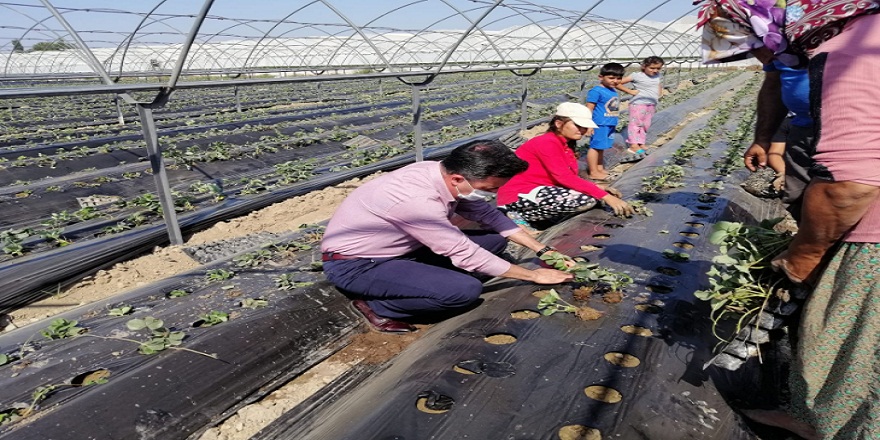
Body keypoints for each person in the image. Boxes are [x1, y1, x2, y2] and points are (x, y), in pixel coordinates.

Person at [698, 2, 880, 439]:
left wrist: (806, 252)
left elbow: (850, 182)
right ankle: (817, 415)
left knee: (849, 342)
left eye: (756, 46)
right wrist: (770, 140)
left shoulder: (856, 47)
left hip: (870, 227)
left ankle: (838, 424)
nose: (762, 58)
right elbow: (777, 82)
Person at [320, 140, 575, 333]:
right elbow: (463, 252)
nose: (494, 194)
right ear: (457, 178)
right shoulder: (416, 200)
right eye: (490, 189)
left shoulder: (439, 172)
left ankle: (424, 279)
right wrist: (533, 275)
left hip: (405, 250)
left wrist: (543, 250)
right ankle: (378, 306)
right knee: (464, 291)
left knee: (495, 240)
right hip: (357, 265)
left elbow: (490, 216)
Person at [497, 102, 634, 232]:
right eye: (578, 125)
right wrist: (606, 196)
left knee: (592, 196)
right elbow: (564, 177)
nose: (582, 130)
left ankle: (538, 218)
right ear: (558, 123)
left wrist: (598, 188)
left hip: (539, 190)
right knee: (586, 201)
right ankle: (516, 215)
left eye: (584, 127)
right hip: (518, 195)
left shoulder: (565, 144)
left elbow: (568, 177)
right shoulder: (546, 143)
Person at [741, 59, 813, 221]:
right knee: (797, 196)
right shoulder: (786, 122)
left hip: (849, 126)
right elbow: (773, 83)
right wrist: (782, 172)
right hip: (802, 131)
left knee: (840, 192)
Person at [616, 56, 664, 161]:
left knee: (645, 124)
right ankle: (633, 145)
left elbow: (658, 84)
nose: (655, 70)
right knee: (636, 124)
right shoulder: (637, 76)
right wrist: (630, 92)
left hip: (651, 103)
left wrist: (660, 92)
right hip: (638, 103)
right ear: (644, 66)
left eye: (658, 68)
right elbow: (617, 83)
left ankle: (641, 143)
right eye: (652, 68)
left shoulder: (658, 75)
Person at [585, 63, 624, 181]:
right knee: (595, 147)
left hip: (610, 123)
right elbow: (589, 108)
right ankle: (593, 172)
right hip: (599, 123)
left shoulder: (613, 90)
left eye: (618, 78)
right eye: (611, 78)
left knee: (601, 147)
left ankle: (600, 168)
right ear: (601, 77)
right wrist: (588, 125)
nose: (615, 81)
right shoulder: (596, 91)